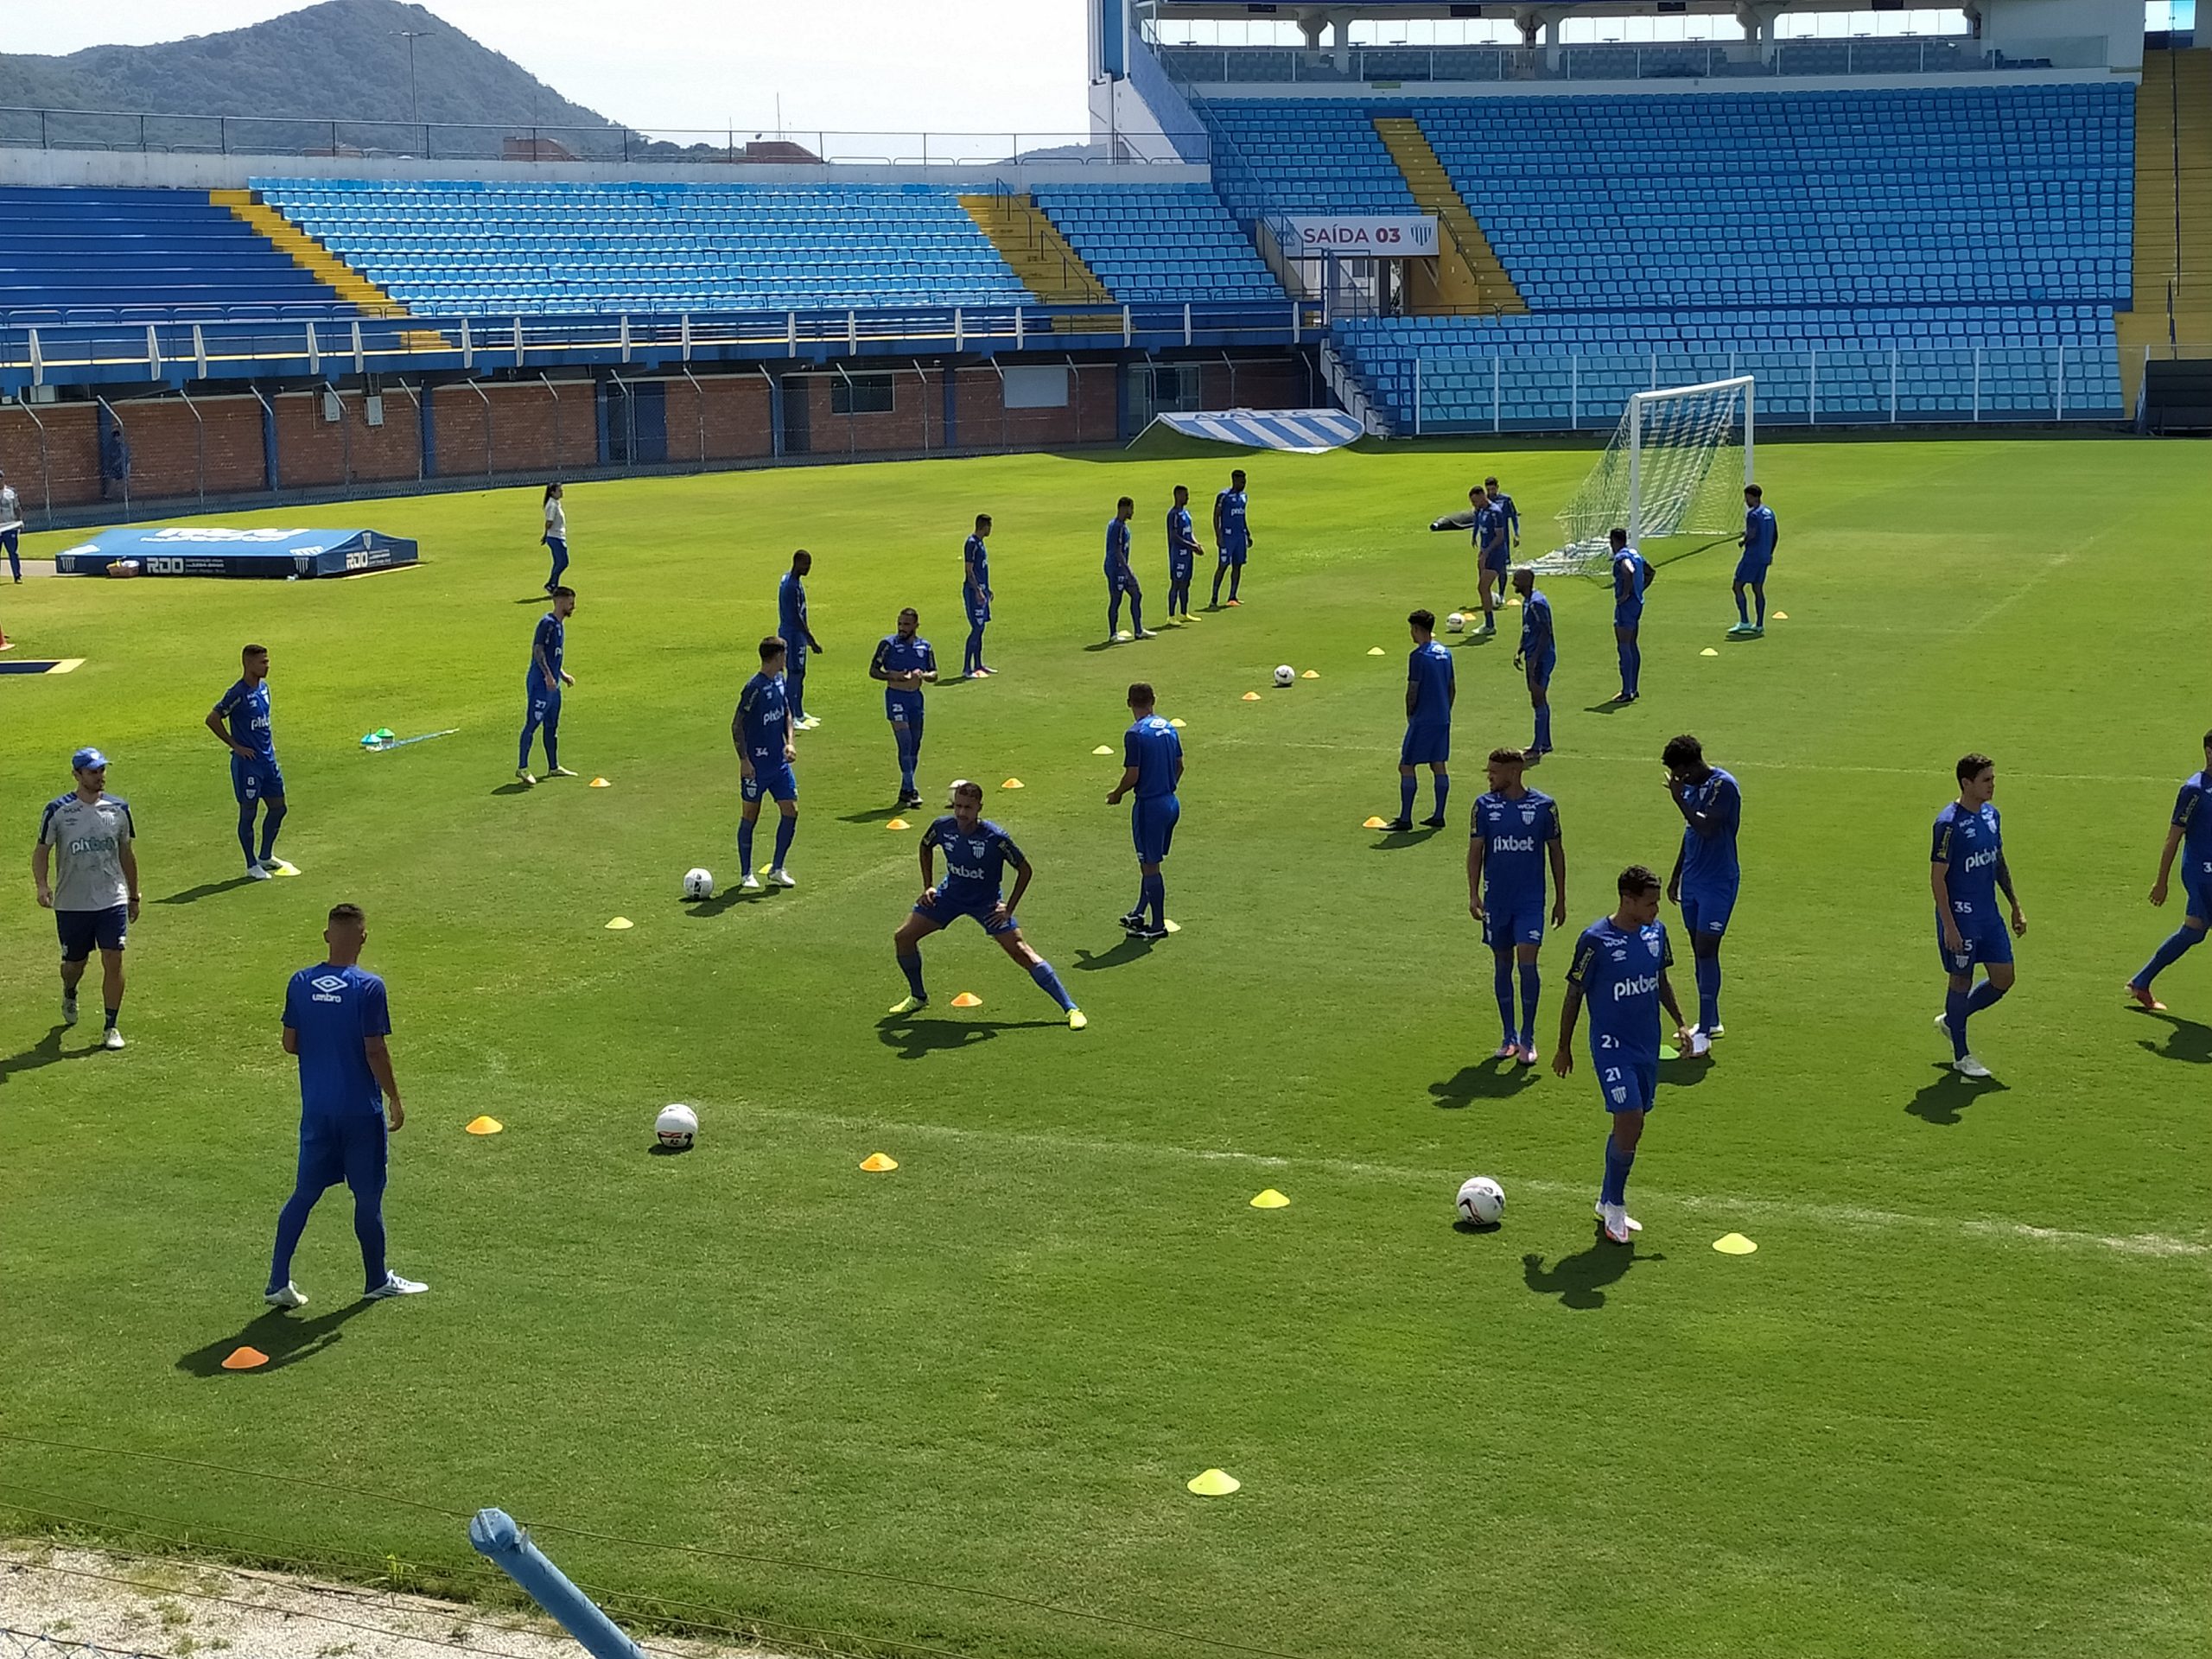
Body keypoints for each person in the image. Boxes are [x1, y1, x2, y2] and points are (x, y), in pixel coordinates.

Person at [264, 903, 426, 1309]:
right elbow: (375, 1050)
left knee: (304, 1193)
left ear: (326, 937)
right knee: (368, 1197)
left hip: (318, 1110)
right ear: (363, 938)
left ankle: (277, 1282)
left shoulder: (300, 981)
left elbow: (290, 1044)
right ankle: (376, 1279)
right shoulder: (369, 987)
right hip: (359, 1112)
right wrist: (394, 1096)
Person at [1554, 865, 1691, 1245]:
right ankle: (1615, 1205)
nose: (1656, 910)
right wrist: (1564, 1047)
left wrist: (1680, 1021)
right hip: (1612, 1048)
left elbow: (1660, 980)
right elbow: (1574, 993)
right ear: (1626, 900)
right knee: (1628, 1119)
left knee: (1634, 1125)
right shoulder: (1596, 940)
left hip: (1647, 1045)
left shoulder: (1656, 934)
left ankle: (1605, 1198)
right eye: (1649, 903)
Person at [887, 781, 1086, 1030]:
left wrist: (1009, 909)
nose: (961, 813)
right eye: (958, 806)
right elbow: (925, 846)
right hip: (949, 897)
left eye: (968, 807)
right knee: (903, 937)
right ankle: (918, 997)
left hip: (987, 904)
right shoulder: (942, 827)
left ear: (979, 807)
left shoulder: (995, 838)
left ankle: (1071, 1008)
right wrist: (928, 885)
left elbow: (1024, 870)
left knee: (1021, 952)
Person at [34, 747, 138, 1051]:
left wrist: (134, 895)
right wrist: (42, 886)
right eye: (93, 772)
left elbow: (126, 853)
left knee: (114, 958)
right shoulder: (58, 811)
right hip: (72, 902)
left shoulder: (118, 808)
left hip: (111, 898)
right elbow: (42, 851)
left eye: (102, 770)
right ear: (77, 775)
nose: (100, 776)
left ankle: (111, 1025)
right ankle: (70, 990)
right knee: (73, 964)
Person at [1467, 747, 1567, 1065]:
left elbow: (1556, 853)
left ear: (1514, 773)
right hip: (1497, 900)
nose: (1490, 777)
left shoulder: (1544, 807)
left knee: (1527, 962)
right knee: (1501, 964)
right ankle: (1508, 1035)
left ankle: (1528, 1036)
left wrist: (1561, 898)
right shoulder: (1483, 807)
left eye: (1494, 772)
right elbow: (1475, 852)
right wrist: (1473, 894)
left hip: (1530, 901)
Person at [1931, 753, 2027, 1079]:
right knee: (1961, 979)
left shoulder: (1992, 816)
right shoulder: (1948, 824)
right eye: (1986, 780)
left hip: (1990, 914)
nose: (1992, 785)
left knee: (2004, 978)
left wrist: (2015, 904)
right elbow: (1937, 879)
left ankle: (1952, 1020)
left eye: (1993, 779)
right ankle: (1961, 1054)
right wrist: (1949, 926)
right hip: (1962, 917)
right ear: (1966, 783)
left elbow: (1997, 861)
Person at [1662, 734, 1740, 1056]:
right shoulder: (1692, 786)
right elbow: (1691, 832)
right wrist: (1676, 874)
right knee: (1698, 949)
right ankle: (1713, 1019)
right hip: (1693, 880)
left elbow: (1708, 827)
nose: (1679, 779)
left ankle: (1705, 1031)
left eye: (1681, 771)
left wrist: (1679, 799)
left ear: (1694, 763)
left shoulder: (1723, 786)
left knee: (1707, 949)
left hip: (1718, 881)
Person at [2127, 730, 2212, 1011]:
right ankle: (2140, 982)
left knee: (2194, 932)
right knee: (2194, 929)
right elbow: (2174, 836)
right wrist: (2161, 881)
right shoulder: (2194, 790)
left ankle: (2140, 982)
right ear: (2209, 752)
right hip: (2202, 872)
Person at [207, 644, 291, 880]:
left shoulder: (264, 689)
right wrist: (236, 746)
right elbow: (212, 718)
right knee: (248, 813)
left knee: (279, 807)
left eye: (267, 661)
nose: (267, 665)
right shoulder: (238, 693)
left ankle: (266, 855)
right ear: (248, 664)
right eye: (262, 662)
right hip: (248, 765)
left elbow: (264, 722)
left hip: (268, 760)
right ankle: (251, 864)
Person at [1106, 681, 1181, 939]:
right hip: (1170, 802)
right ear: (1154, 700)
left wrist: (1117, 794)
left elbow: (1133, 775)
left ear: (1129, 703)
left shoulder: (1135, 734)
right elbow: (1180, 765)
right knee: (1148, 861)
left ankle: (1158, 926)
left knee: (1150, 866)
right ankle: (1139, 912)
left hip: (1149, 806)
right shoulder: (1169, 726)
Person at [733, 635, 799, 891]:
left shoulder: (780, 681)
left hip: (779, 765)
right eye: (784, 655)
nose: (787, 659)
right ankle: (746, 873)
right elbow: (737, 725)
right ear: (777, 657)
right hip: (756, 767)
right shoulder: (755, 688)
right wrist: (744, 760)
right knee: (751, 815)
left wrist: (790, 742)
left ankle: (777, 868)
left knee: (791, 811)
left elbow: (787, 714)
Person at [1383, 607, 1454, 832]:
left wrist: (1410, 714)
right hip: (1443, 717)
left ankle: (1405, 819)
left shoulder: (1418, 656)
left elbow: (1413, 688)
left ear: (1416, 629)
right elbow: (1452, 687)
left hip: (1423, 719)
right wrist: (1446, 710)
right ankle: (1439, 815)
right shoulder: (1445, 652)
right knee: (1438, 764)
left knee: (1406, 765)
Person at [869, 607, 937, 811]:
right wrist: (894, 676)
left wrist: (922, 675)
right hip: (896, 697)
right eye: (900, 624)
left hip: (915, 699)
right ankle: (912, 788)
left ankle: (905, 789)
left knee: (915, 745)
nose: (902, 628)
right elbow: (873, 671)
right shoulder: (888, 645)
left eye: (906, 624)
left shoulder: (925, 647)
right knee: (905, 742)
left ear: (916, 625)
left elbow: (935, 674)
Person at [517, 587, 576, 785]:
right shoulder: (547, 624)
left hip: (553, 683)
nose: (573, 606)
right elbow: (538, 651)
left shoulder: (559, 625)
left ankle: (553, 767)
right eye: (570, 602)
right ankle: (522, 768)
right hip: (540, 684)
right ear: (559, 601)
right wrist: (548, 676)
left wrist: (562, 674)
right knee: (532, 724)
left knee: (552, 725)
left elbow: (554, 656)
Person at [778, 550, 824, 729]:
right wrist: (811, 639)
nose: (808, 569)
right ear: (797, 563)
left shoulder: (790, 580)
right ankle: (790, 717)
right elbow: (797, 617)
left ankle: (799, 712)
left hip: (795, 634)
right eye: (806, 565)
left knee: (800, 673)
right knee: (794, 673)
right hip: (792, 635)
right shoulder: (791, 586)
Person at [1608, 529, 1656, 703]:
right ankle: (1633, 688)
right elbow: (1651, 572)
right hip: (1637, 604)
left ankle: (1627, 691)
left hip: (1626, 607)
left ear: (1614, 541)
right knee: (1632, 645)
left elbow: (1628, 571)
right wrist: (1639, 590)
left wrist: (1626, 594)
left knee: (1623, 645)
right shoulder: (1635, 553)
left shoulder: (1622, 557)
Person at [1512, 567, 1554, 760]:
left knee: (1538, 697)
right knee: (1538, 698)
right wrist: (1520, 649)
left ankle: (1537, 747)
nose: (1514, 583)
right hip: (1532, 654)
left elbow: (1546, 631)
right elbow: (1528, 629)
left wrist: (1535, 658)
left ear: (1527, 582)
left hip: (1541, 657)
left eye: (1516, 580)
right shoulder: (1527, 601)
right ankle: (1545, 743)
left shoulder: (1537, 603)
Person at [1103, 497, 1153, 642]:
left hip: (1122, 568)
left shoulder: (1122, 526)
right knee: (1116, 600)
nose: (1133, 512)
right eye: (1131, 508)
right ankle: (1113, 634)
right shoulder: (1117, 527)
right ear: (1124, 508)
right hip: (1116, 569)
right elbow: (1117, 551)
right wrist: (1127, 571)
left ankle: (1138, 630)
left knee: (1137, 594)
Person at [1732, 483, 1777, 637]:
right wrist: (1770, 553)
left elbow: (1752, 534)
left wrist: (1743, 541)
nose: (1746, 500)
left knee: (1737, 586)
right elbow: (1775, 535)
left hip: (1752, 557)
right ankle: (1759, 624)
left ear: (1753, 497)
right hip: (1764, 557)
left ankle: (1744, 621)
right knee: (1758, 589)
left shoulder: (1753, 514)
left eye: (1747, 497)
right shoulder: (1769, 512)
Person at [1211, 468, 1251, 607]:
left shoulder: (1244, 496)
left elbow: (1242, 516)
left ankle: (1232, 597)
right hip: (1227, 537)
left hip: (1240, 536)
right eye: (1241, 481)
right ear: (1234, 480)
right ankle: (1214, 599)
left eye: (1245, 481)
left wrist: (1248, 533)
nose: (1244, 484)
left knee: (1238, 565)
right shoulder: (1223, 496)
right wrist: (1218, 535)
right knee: (1223, 566)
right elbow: (1216, 515)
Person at [961, 514, 995, 678]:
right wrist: (978, 591)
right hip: (973, 592)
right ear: (984, 526)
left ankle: (979, 665)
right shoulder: (972, 543)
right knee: (976, 628)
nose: (991, 529)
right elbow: (969, 570)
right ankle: (967, 668)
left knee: (981, 629)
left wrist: (987, 589)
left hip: (982, 591)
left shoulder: (980, 543)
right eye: (989, 526)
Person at [1165, 485, 1203, 622]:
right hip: (1178, 555)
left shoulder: (1186, 513)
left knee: (1186, 583)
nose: (1188, 497)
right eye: (1185, 495)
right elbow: (1174, 536)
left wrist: (1196, 544)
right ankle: (1171, 616)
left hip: (1188, 554)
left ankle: (1184, 613)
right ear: (1177, 495)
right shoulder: (1173, 515)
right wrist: (1192, 546)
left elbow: (1189, 532)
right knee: (1176, 583)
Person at [540, 482, 569, 593]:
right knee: (563, 562)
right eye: (559, 490)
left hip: (557, 536)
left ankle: (553, 584)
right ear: (552, 492)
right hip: (556, 537)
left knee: (559, 562)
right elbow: (549, 522)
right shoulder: (552, 505)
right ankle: (551, 584)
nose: (562, 492)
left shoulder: (556, 503)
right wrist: (546, 534)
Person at [1484, 474, 1520, 555]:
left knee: (1504, 560)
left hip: (1503, 536)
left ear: (1497, 487)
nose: (1491, 492)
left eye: (1493, 489)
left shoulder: (1505, 500)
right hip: (1488, 537)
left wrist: (1516, 534)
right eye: (1488, 490)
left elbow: (1514, 517)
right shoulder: (1484, 501)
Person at [1, 466, 22, 583]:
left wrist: (19, 522)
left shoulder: (11, 492)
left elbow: (17, 508)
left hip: (9, 527)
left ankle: (17, 575)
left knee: (13, 552)